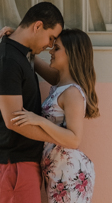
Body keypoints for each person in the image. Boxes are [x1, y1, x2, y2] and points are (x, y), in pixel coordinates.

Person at [0, 2, 65, 203]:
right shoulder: (8, 60)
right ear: (37, 26)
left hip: (22, 165)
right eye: (51, 38)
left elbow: (57, 78)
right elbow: (13, 121)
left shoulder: (21, 55)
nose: (49, 45)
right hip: (13, 166)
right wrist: (62, 137)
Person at [9, 29, 100, 203]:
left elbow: (74, 139)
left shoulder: (72, 92)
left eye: (56, 48)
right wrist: (16, 38)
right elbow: (31, 58)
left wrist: (39, 120)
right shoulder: (60, 83)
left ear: (71, 53)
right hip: (57, 172)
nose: (50, 51)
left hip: (69, 174)